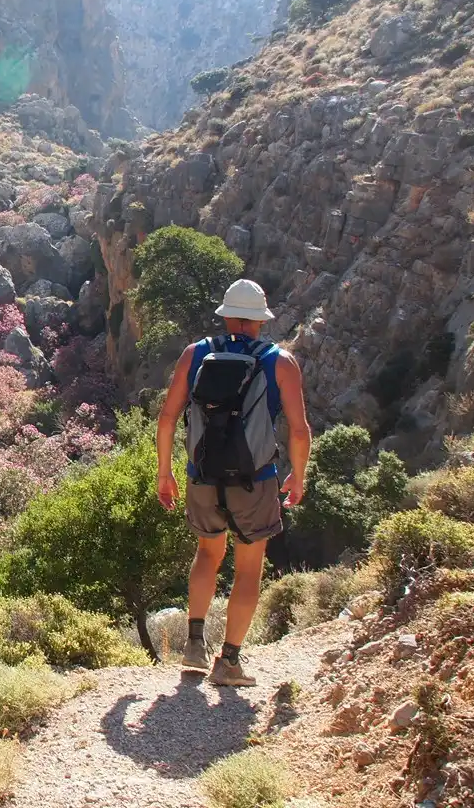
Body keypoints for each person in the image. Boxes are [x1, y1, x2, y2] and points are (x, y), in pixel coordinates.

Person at [154, 279, 311, 687]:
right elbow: (298, 430)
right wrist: (298, 474)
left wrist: (165, 471)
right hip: (255, 481)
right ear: (259, 321)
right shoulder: (280, 362)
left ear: (226, 316)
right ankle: (229, 663)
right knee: (249, 568)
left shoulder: (197, 354)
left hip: (202, 476)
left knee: (208, 554)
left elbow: (167, 418)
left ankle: (193, 645)